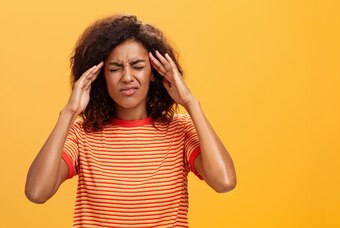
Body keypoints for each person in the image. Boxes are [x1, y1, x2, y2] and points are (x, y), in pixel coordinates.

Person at [25, 14, 236, 227]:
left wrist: (191, 103)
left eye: (137, 66)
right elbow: (37, 192)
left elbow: (224, 182)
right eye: (115, 68)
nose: (127, 77)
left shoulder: (180, 130)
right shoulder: (82, 133)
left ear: (154, 72)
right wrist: (69, 113)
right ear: (101, 76)